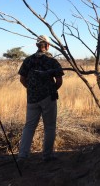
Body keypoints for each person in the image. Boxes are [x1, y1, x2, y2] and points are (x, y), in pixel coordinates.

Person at [17, 35, 64, 163]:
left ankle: (22, 155)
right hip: (48, 98)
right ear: (48, 46)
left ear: (37, 45)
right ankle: (47, 155)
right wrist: (51, 90)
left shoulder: (28, 60)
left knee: (29, 126)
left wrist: (32, 90)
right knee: (49, 127)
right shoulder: (52, 61)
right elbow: (59, 81)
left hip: (32, 98)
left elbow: (22, 79)